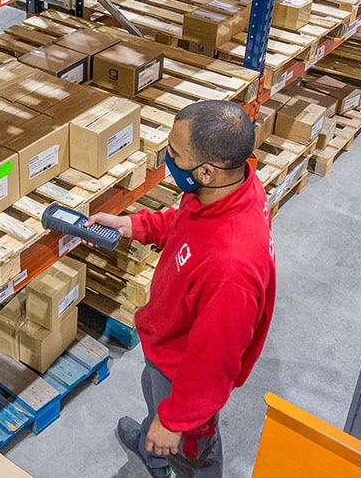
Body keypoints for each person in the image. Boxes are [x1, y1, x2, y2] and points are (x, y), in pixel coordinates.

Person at [87, 100, 276, 478]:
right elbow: (186, 222)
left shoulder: (231, 270)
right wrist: (134, 226)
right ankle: (151, 450)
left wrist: (175, 421)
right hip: (167, 342)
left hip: (185, 368)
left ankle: (165, 444)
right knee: (151, 389)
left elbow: (214, 363)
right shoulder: (229, 189)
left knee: (195, 456)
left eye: (174, 154)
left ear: (206, 171)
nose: (167, 159)